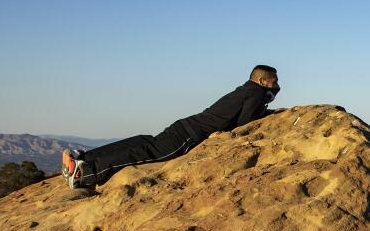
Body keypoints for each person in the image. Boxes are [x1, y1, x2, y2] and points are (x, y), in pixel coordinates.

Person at [61, 65, 281, 190]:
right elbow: (246, 122)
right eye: (274, 82)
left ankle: (84, 157)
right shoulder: (256, 92)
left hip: (186, 125)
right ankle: (86, 172)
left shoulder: (244, 89)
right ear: (262, 82)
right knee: (146, 153)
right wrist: (267, 104)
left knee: (143, 141)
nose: (277, 86)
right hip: (190, 135)